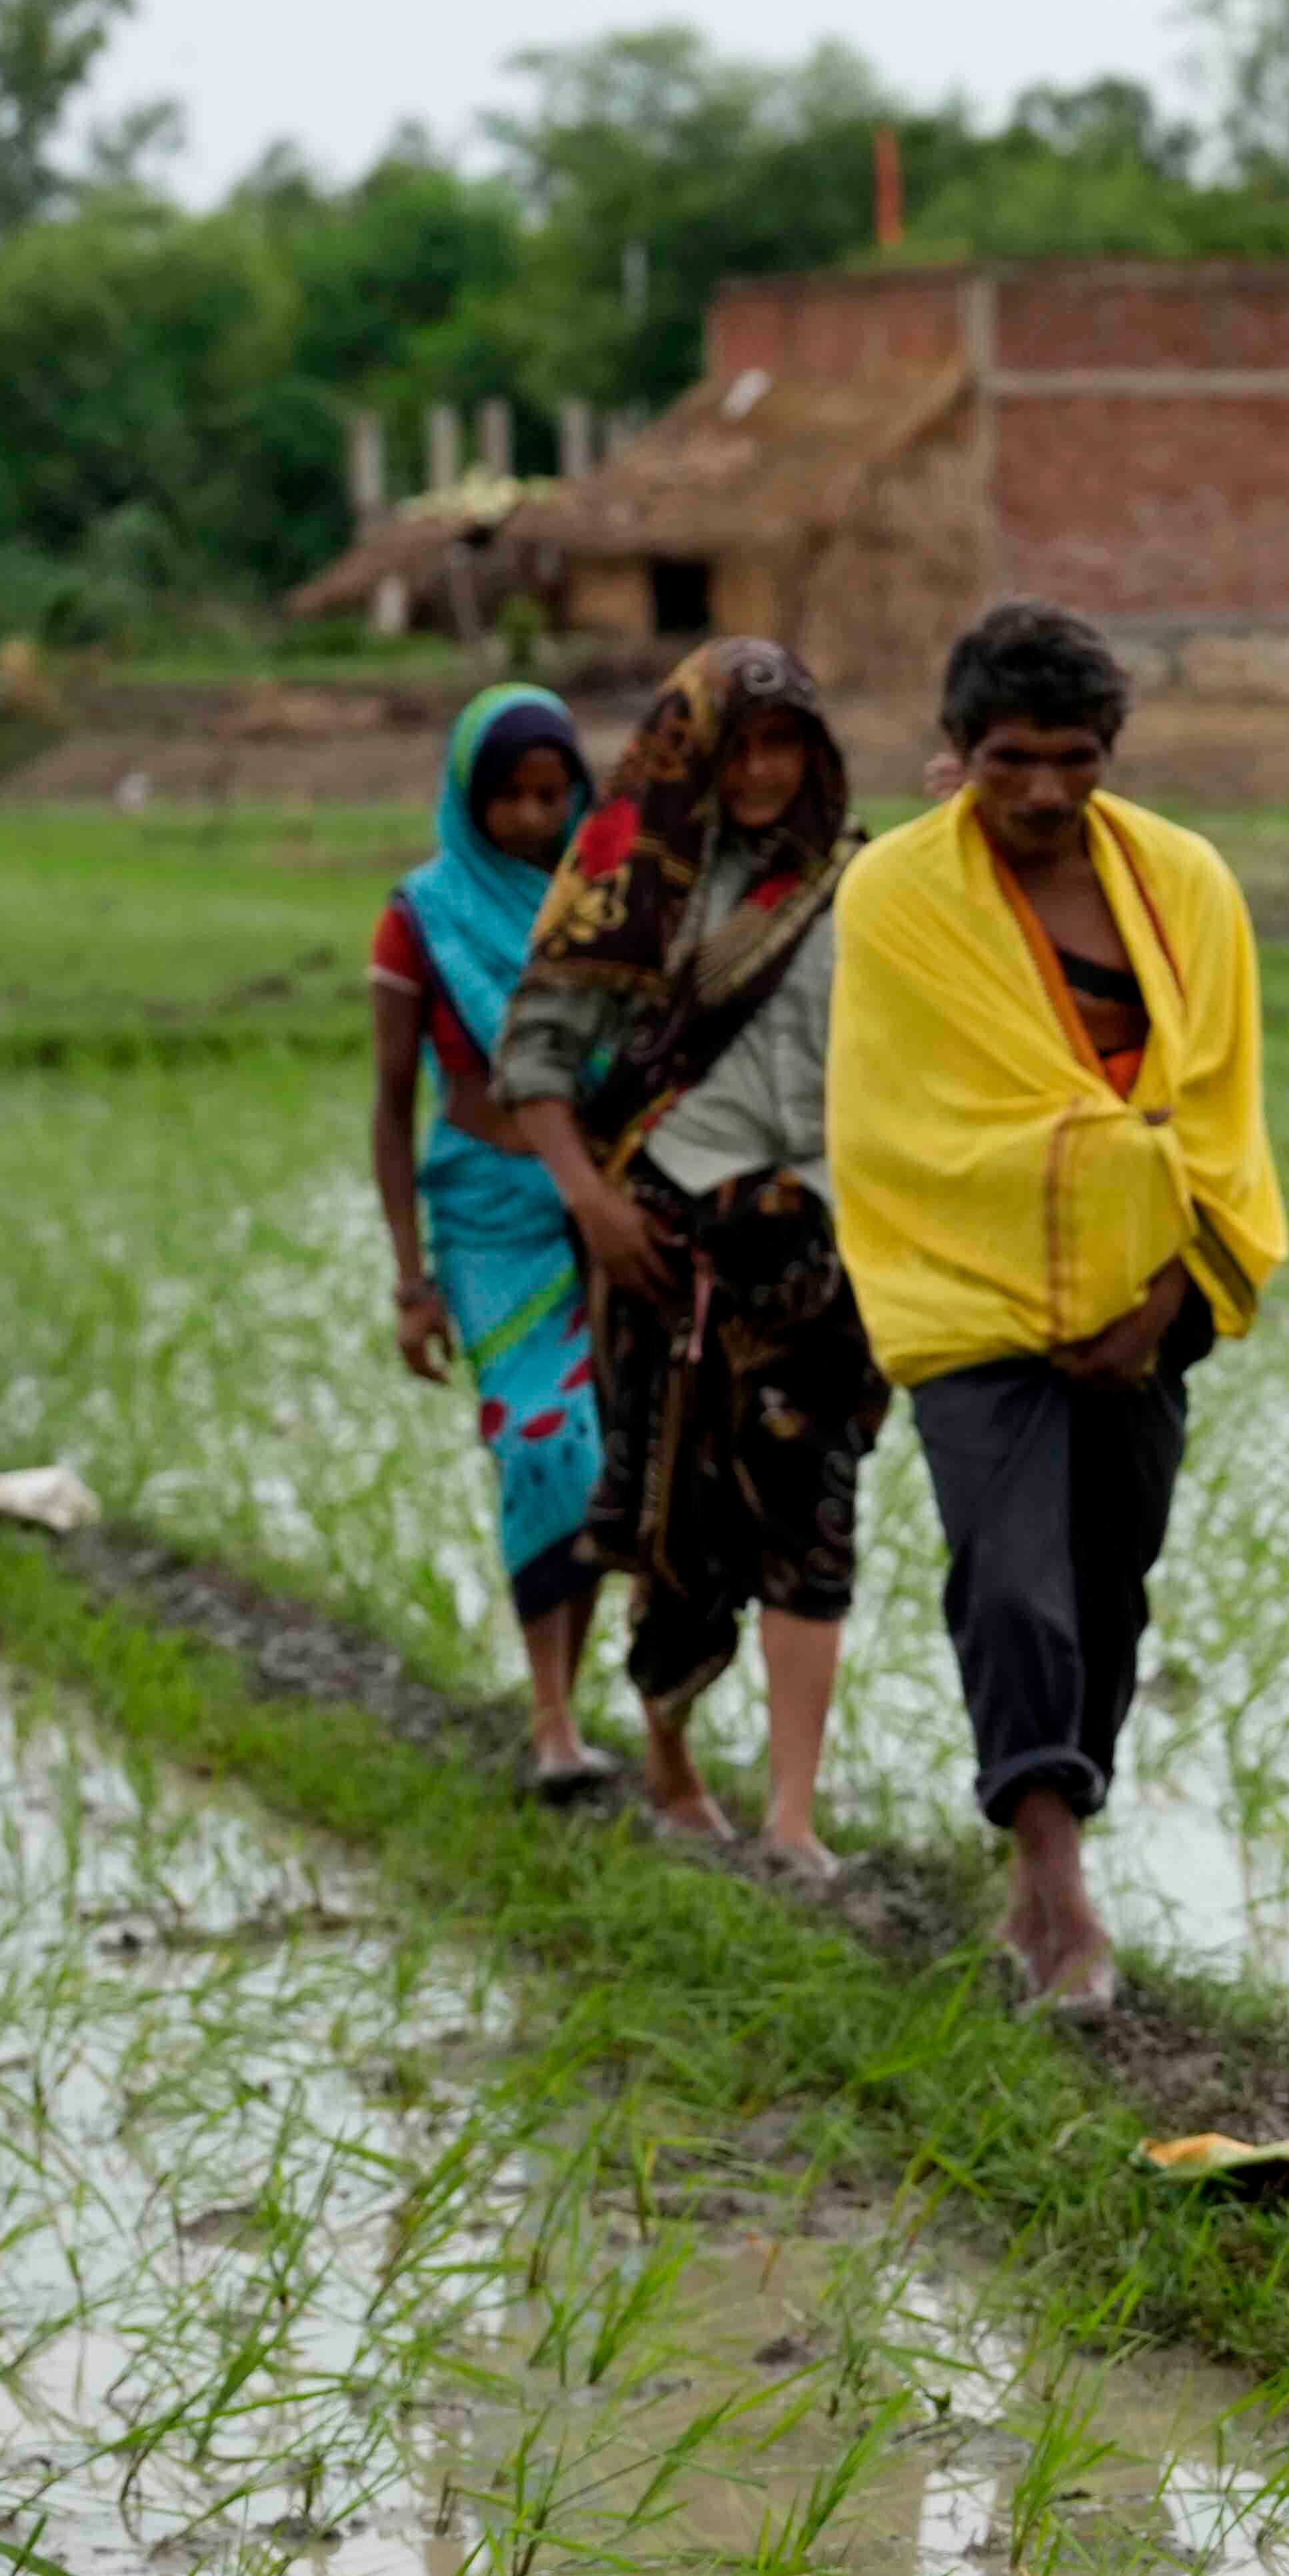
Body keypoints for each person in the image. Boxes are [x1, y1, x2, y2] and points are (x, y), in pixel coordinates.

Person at [826, 599, 1286, 2019]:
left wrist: (1153, 1299)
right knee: (1010, 1579)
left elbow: (1211, 1105)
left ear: (1113, 751)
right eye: (1011, 758)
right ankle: (1064, 1893)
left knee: (1107, 1580)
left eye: (1075, 758)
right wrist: (1055, 1264)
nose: (1042, 791)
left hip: (1149, 1298)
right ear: (956, 751)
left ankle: (1043, 1852)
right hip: (969, 1297)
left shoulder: (1187, 881)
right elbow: (909, 1124)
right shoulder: (897, 896)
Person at [497, 638, 880, 1870]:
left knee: (814, 1510)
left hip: (821, 1246)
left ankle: (791, 1816)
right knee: (673, 1507)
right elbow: (537, 1058)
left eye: (785, 745)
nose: (763, 772)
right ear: (695, 755)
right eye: (739, 746)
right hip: (662, 1241)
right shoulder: (635, 884)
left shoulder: (865, 880)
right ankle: (667, 1757)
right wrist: (590, 1205)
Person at [365, 680, 609, 1790]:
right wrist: (411, 1283)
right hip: (484, 1218)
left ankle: (571, 1704)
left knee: (599, 1459)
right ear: (469, 798)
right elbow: (388, 1107)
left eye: (552, 794)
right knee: (536, 1440)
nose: (530, 817)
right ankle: (550, 1719)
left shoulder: (600, 906)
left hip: (600, 1212)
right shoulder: (419, 918)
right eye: (508, 796)